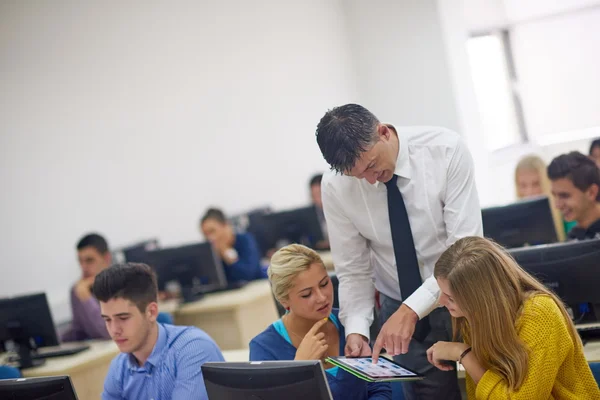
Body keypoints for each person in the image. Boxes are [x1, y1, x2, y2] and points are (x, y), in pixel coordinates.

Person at [316, 104, 482, 400]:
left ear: (383, 132)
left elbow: (465, 251)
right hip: (396, 301)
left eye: (370, 165)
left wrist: (412, 308)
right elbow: (353, 268)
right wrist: (356, 329)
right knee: (425, 396)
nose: (369, 180)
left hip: (462, 295)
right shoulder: (336, 186)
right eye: (357, 175)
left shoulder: (445, 150)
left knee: (486, 385)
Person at [427, 236, 600, 399]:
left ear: (481, 298)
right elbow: (481, 394)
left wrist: (463, 353)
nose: (442, 302)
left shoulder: (539, 313)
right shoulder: (474, 317)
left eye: (450, 297)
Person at [249, 244, 391, 400]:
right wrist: (299, 370)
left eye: (324, 284)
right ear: (284, 301)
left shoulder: (350, 323)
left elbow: (378, 386)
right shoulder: (264, 348)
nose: (322, 297)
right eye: (307, 294)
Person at [94, 263, 224, 400]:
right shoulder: (119, 367)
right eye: (107, 320)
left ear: (151, 312)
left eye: (123, 318)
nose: (114, 330)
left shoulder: (193, 349)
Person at [62, 233, 112, 341]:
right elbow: (78, 330)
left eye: (89, 260)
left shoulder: (123, 285)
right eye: (80, 261)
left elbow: (109, 332)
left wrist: (86, 298)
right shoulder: (78, 290)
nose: (83, 267)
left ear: (107, 258)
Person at [514, 154, 573, 239]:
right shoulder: (515, 223)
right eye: (523, 185)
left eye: (536, 184)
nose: (529, 192)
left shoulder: (566, 216)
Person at [200, 208, 265, 282]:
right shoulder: (210, 252)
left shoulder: (245, 240)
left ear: (226, 226)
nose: (210, 238)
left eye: (212, 231)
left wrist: (225, 253)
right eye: (205, 234)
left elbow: (248, 274)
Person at [548, 151, 600, 240]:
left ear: (592, 192)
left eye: (564, 196)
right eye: (554, 195)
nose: (557, 205)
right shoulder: (573, 238)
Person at [309, 173, 330, 250]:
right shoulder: (309, 215)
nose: (319, 200)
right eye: (315, 196)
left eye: (320, 194)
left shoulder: (341, 208)